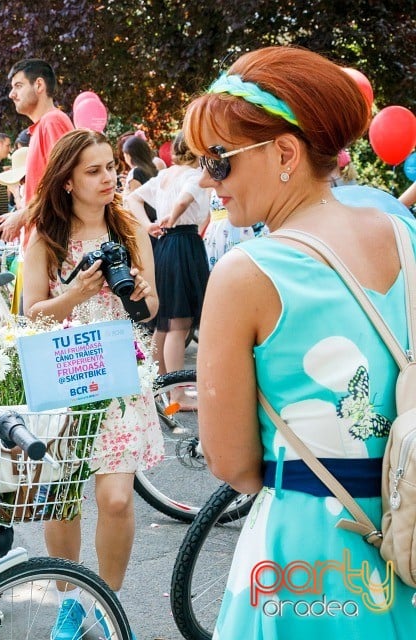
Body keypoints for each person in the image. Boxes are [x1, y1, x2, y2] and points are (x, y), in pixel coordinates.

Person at [186, 46, 416, 637]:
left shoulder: (248, 273)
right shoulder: (404, 231)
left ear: (285, 152)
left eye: (218, 162)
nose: (207, 182)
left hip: (314, 552)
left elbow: (232, 461)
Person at [22, 129, 164, 637]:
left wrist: (144, 293)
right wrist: (73, 295)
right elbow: (30, 318)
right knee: (61, 497)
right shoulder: (45, 241)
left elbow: (151, 311)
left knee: (117, 499)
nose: (109, 178)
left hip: (121, 377)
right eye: (94, 170)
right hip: (63, 376)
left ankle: (104, 601)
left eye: (111, 168)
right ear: (66, 182)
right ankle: (69, 597)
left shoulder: (130, 229)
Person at [125, 132, 210, 396]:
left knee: (165, 322)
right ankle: (178, 393)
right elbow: (184, 199)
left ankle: (159, 385)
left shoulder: (165, 175)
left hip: (164, 246)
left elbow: (131, 199)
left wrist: (147, 225)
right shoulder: (193, 175)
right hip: (184, 244)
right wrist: (171, 218)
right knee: (179, 324)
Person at [0, 58, 74, 242]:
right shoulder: (44, 125)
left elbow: (63, 187)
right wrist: (22, 214)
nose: (11, 94)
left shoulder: (52, 121)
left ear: (39, 85)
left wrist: (22, 216)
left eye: (18, 86)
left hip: (52, 243)